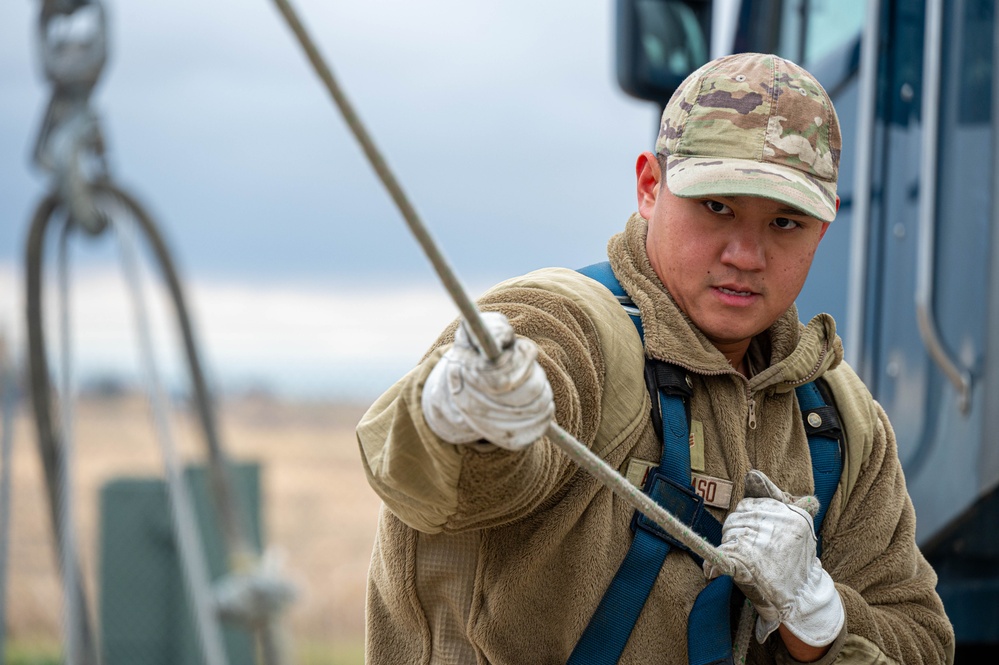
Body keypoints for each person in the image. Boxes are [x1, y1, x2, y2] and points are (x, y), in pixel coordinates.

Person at [357, 52, 954, 664]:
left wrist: (820, 615)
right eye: (717, 206)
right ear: (649, 187)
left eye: (784, 222)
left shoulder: (839, 420)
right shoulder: (567, 326)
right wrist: (468, 419)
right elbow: (438, 480)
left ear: (821, 232)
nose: (746, 255)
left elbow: (923, 642)